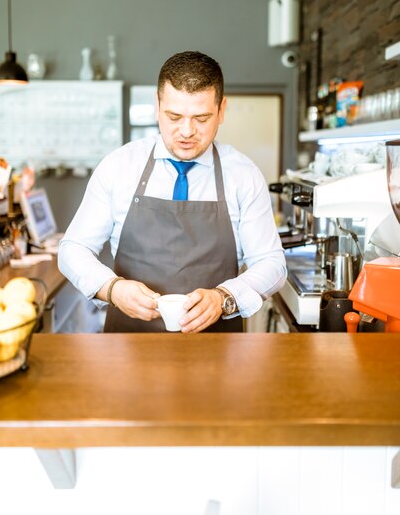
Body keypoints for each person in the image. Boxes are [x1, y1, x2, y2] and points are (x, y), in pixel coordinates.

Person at [58, 51, 286, 333]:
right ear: (157, 105)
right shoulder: (120, 166)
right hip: (128, 347)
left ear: (222, 110)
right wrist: (112, 289)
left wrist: (224, 298)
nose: (187, 131)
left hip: (218, 350)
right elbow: (73, 249)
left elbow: (272, 263)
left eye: (201, 118)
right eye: (174, 116)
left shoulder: (243, 175)